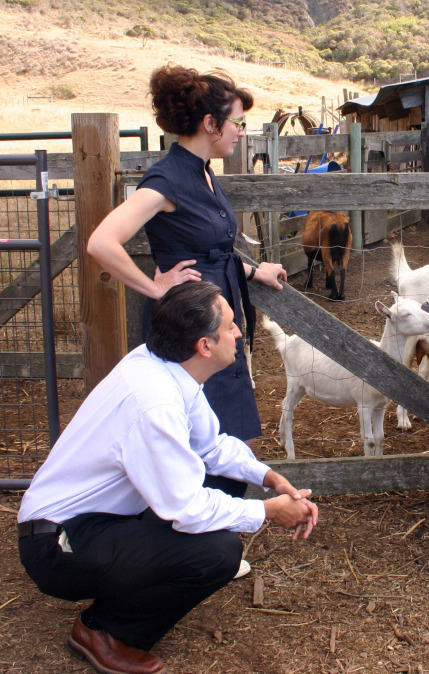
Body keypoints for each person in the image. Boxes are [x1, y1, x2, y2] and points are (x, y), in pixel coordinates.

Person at [17, 281, 318, 674]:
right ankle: (106, 631)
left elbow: (210, 447)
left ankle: (125, 582)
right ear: (204, 346)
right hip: (56, 545)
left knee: (224, 486)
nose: (239, 333)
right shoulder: (155, 404)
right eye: (230, 326)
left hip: (97, 519)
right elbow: (186, 509)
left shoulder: (161, 365)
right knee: (218, 553)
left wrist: (269, 477)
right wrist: (268, 511)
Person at [87, 63, 284, 498]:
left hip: (217, 323)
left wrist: (253, 270)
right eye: (238, 122)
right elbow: (102, 242)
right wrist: (155, 287)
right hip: (188, 330)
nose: (241, 132)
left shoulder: (206, 173)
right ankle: (198, 542)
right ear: (211, 124)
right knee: (207, 440)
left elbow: (210, 248)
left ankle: (210, 541)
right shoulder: (168, 178)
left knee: (229, 437)